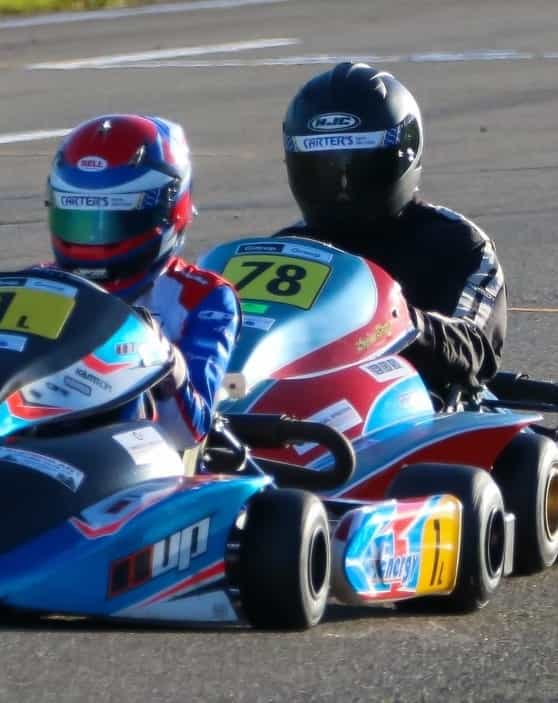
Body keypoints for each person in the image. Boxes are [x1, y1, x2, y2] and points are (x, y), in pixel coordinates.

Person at [276, 62, 506, 394]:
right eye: (320, 170)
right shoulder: (288, 248)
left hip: (410, 412)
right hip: (295, 410)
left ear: (404, 155)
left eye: (360, 167)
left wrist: (394, 321)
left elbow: (474, 348)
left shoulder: (456, 244)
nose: (342, 187)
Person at [44, 114, 241, 451]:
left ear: (168, 210)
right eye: (79, 219)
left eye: (113, 220)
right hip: (29, 450)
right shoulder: (41, 285)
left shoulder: (204, 298)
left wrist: (159, 355)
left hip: (130, 463)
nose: (93, 238)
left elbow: (187, 434)